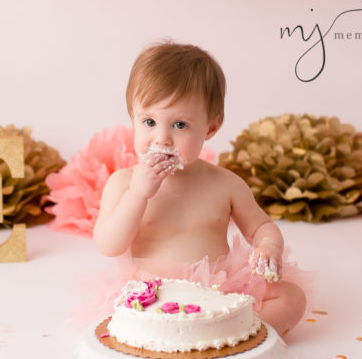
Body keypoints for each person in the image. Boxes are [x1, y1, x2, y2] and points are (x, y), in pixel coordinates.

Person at [93, 41, 308, 337]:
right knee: (118, 328)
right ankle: (199, 339)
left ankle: (234, 337)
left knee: (291, 298)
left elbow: (261, 226)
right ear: (133, 118)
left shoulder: (225, 184)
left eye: (180, 125)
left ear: (210, 128)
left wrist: (269, 246)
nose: (162, 138)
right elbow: (108, 244)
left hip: (219, 295)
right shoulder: (123, 183)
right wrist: (138, 195)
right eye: (150, 122)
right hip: (151, 297)